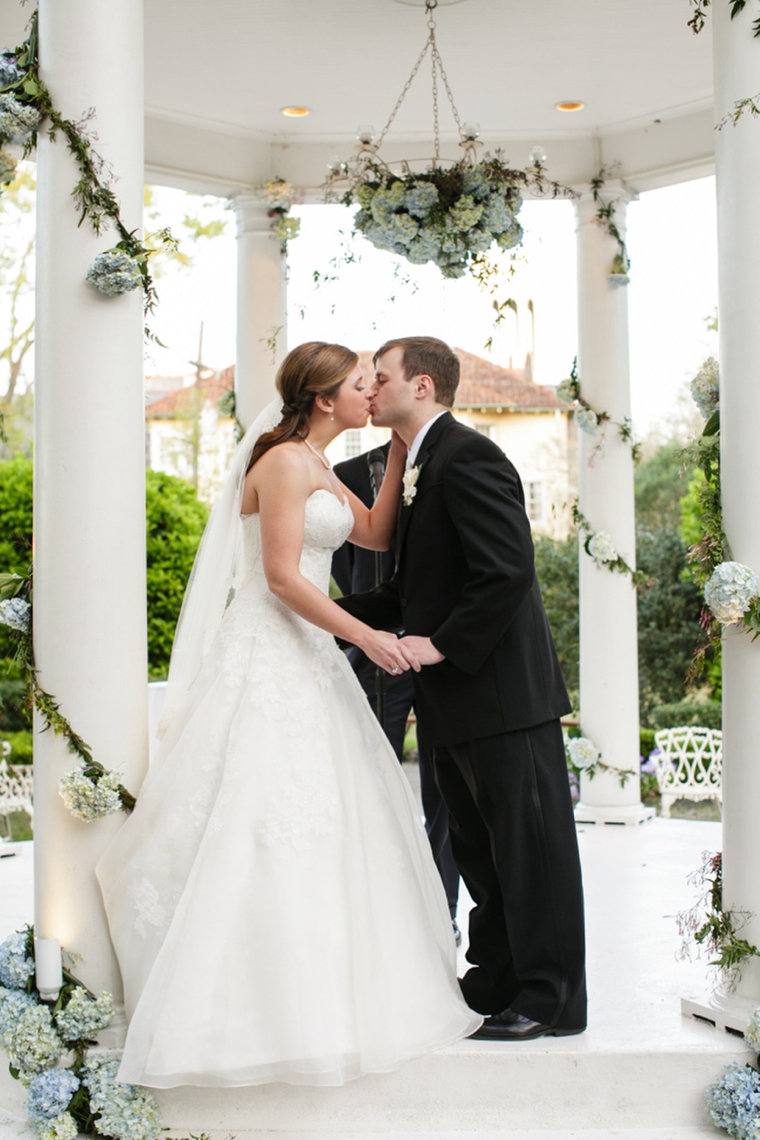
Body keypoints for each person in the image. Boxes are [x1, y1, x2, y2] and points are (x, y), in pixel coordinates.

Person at [96, 342, 481, 1089]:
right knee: (253, 805)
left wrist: (399, 449)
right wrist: (366, 634)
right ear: (324, 397)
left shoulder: (320, 465)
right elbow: (278, 577)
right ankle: (236, 1007)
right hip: (271, 651)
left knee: (332, 813)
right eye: (358, 385)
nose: (371, 392)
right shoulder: (279, 462)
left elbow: (370, 533)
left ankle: (334, 993)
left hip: (309, 657)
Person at [336, 336, 586, 1042]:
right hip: (454, 704)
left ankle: (550, 997)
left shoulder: (469, 456)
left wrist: (439, 644)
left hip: (504, 697)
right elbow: (409, 593)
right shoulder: (417, 467)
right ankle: (496, 979)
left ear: (421, 386)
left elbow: (506, 572)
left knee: (530, 850)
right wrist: (319, 617)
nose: (370, 388)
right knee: (480, 853)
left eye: (378, 378)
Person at [331, 445, 461, 941]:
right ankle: (378, 900)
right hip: (375, 654)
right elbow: (346, 564)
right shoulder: (345, 472)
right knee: (371, 776)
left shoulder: (453, 460)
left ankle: (441, 908)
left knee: (443, 789)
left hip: (438, 649)